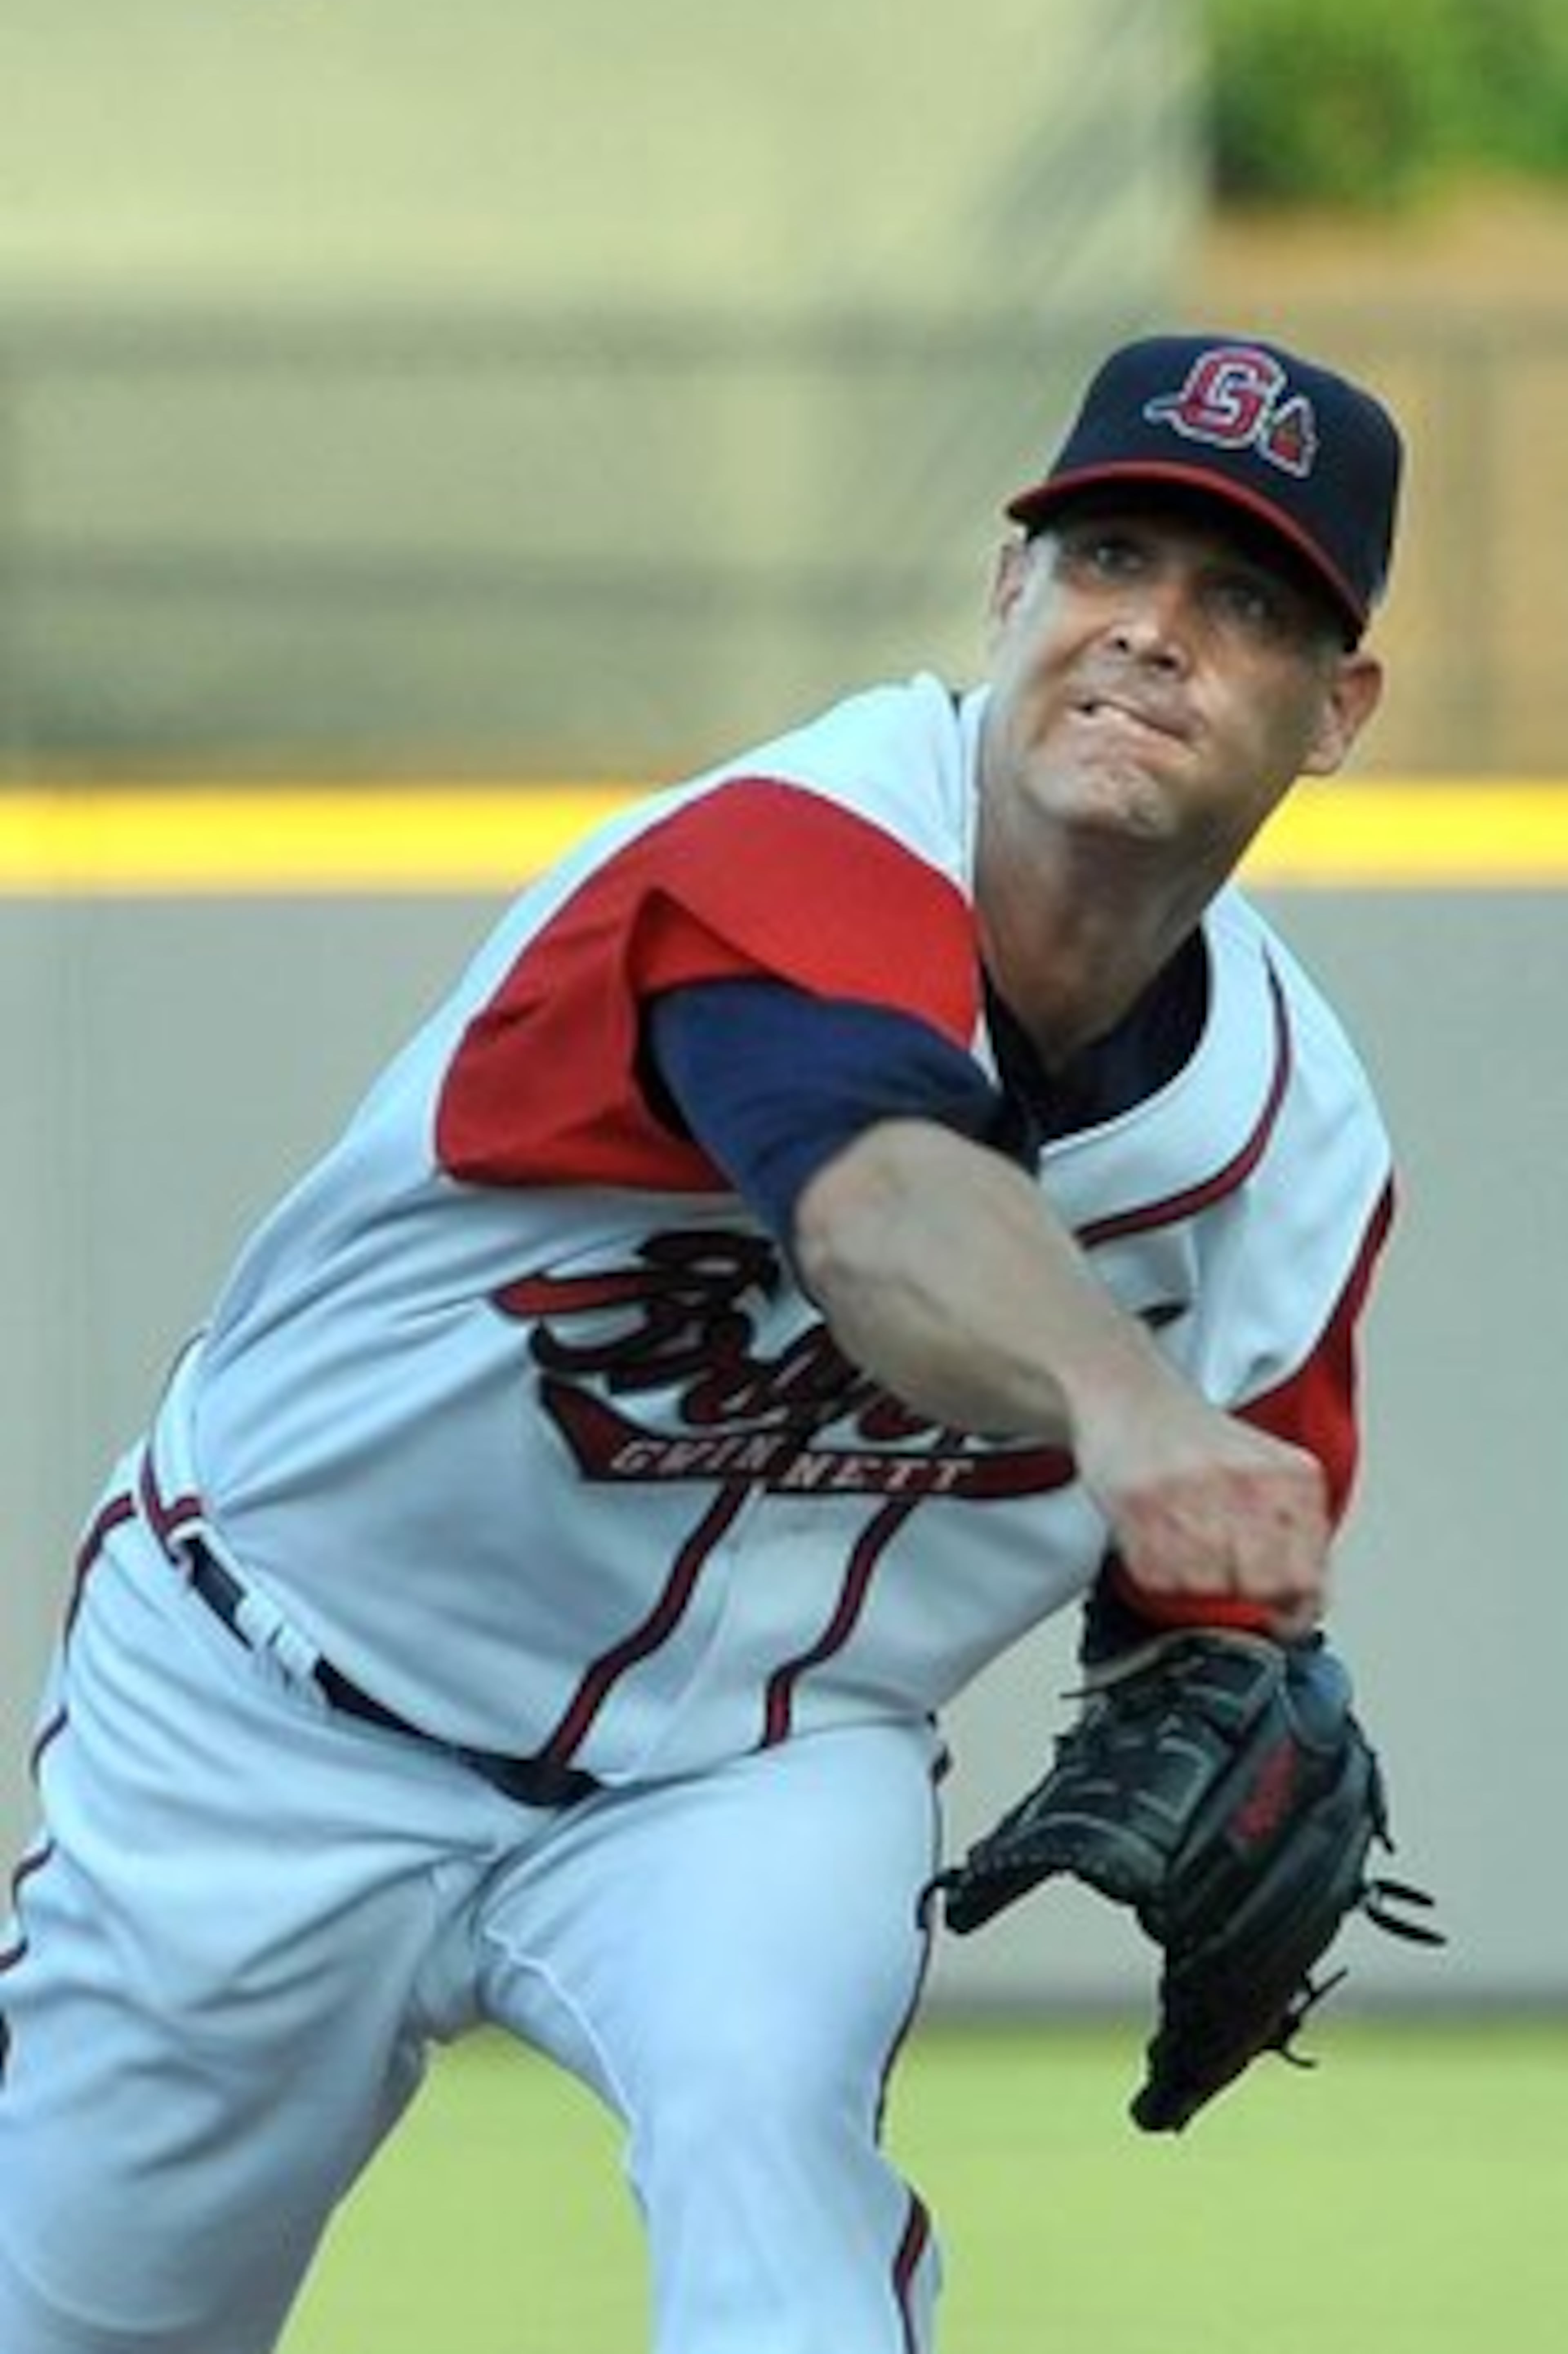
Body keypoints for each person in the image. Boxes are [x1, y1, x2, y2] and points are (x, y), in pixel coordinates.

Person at [0, 329, 1402, 2353]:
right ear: (1011, 594)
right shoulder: (789, 849)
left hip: (753, 1779)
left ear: (1335, 710)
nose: (1152, 636)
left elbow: (1215, 1589)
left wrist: (1221, 1647)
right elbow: (880, 1207)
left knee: (783, 2214)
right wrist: (1120, 1393)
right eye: (1107, 563)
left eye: (1247, 603)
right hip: (276, 1710)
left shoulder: (1300, 1140)